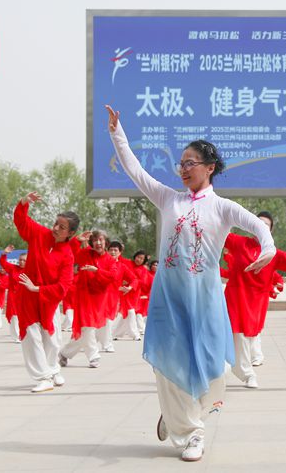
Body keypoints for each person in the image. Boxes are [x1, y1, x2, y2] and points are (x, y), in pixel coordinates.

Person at [107, 104, 275, 461]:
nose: (183, 169)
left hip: (206, 297)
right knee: (168, 359)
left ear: (209, 167)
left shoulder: (222, 207)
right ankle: (191, 432)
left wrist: (268, 247)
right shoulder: (169, 198)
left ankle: (177, 416)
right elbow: (135, 170)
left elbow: (257, 225)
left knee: (215, 366)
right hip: (168, 296)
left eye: (190, 163)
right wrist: (118, 134)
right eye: (180, 163)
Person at [223, 210, 286, 388]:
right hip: (235, 297)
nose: (261, 227)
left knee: (248, 337)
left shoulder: (272, 253)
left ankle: (240, 368)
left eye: (265, 225)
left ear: (270, 231)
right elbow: (218, 231)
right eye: (257, 223)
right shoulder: (239, 242)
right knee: (238, 336)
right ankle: (246, 374)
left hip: (255, 302)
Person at [12, 191, 79, 393]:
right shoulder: (40, 234)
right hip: (27, 296)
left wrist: (39, 289)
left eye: (62, 227)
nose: (56, 228)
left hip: (48, 298)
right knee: (31, 335)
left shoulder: (67, 255)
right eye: (56, 223)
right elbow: (21, 222)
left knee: (51, 339)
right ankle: (44, 377)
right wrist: (24, 202)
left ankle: (52, 369)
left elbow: (64, 285)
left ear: (70, 233)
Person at [59, 230, 119, 368]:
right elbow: (69, 253)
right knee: (88, 326)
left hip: (99, 299)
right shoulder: (85, 254)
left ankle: (64, 353)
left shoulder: (110, 260)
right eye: (95, 240)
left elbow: (113, 276)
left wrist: (97, 271)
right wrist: (76, 241)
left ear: (106, 242)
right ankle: (94, 356)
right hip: (84, 296)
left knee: (86, 329)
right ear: (91, 242)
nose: (98, 243)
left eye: (101, 240)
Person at [0, 246, 26, 343]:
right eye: (20, 260)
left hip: (26, 297)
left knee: (25, 317)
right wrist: (4, 254)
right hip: (13, 297)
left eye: (24, 260)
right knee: (14, 316)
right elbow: (3, 263)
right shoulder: (13, 268)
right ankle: (16, 336)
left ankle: (24, 334)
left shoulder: (31, 270)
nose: (21, 262)